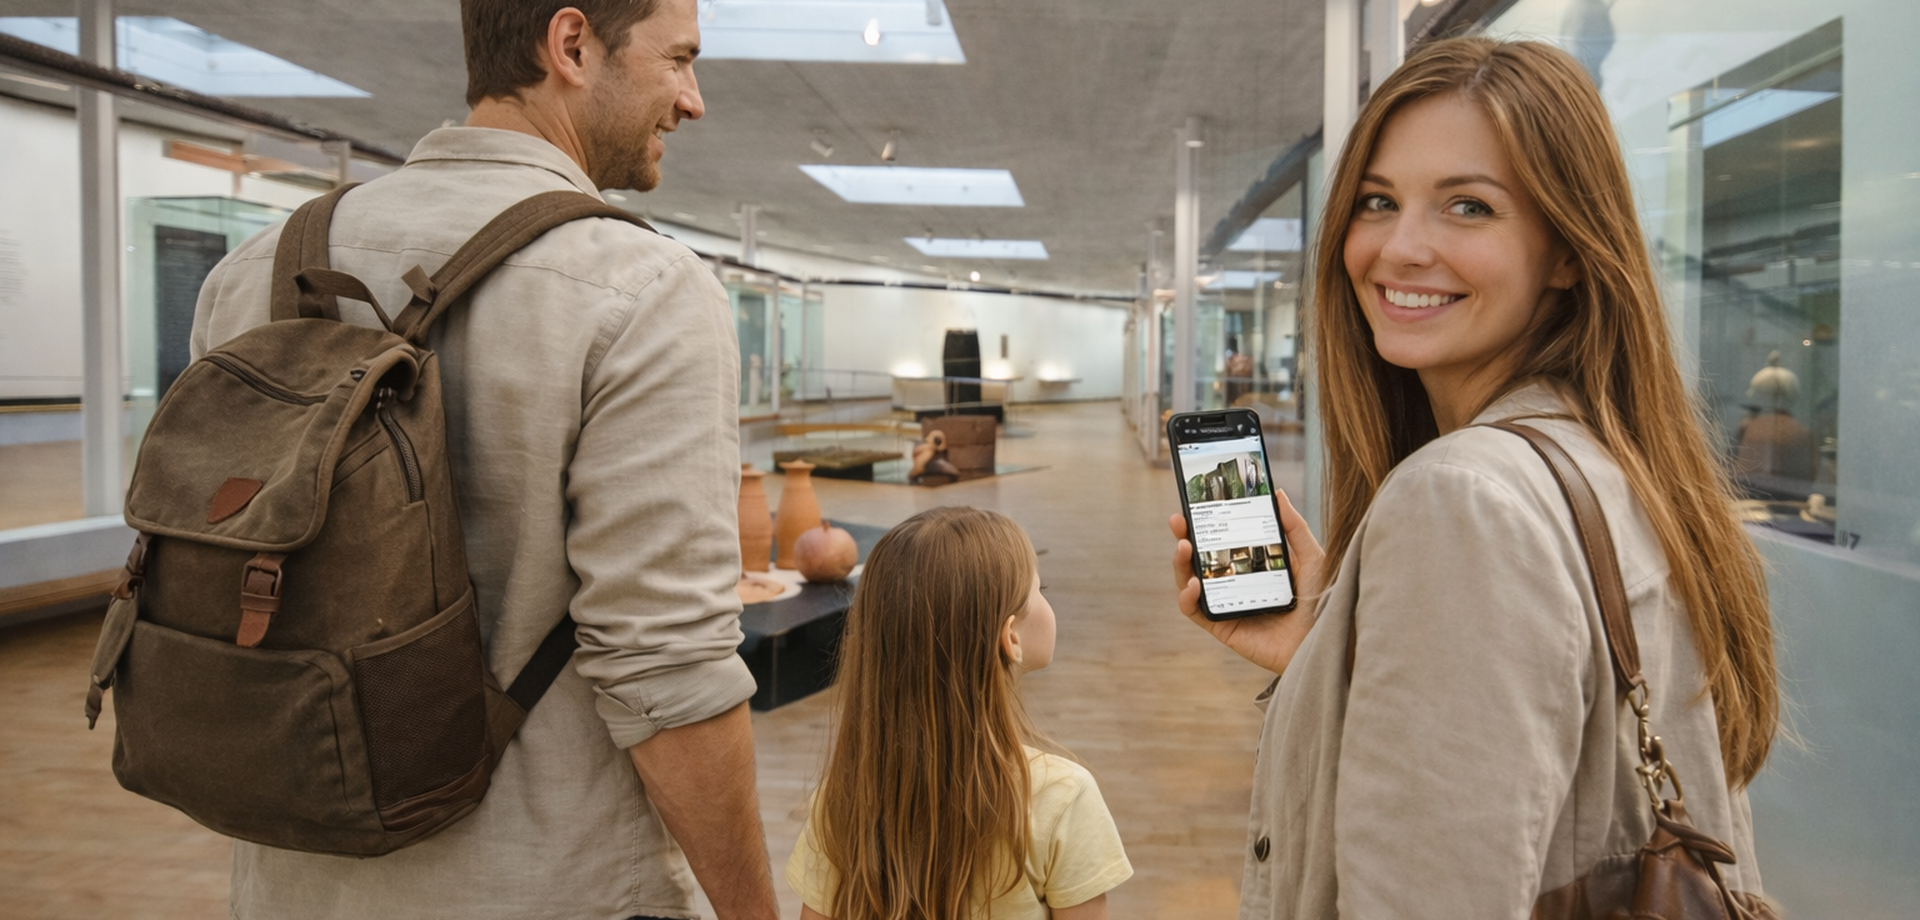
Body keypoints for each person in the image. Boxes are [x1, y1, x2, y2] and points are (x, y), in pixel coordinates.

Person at [190, 1, 779, 918]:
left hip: (290, 880)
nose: (692, 100)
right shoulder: (644, 291)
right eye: (679, 60)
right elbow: (667, 674)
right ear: (572, 44)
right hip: (543, 881)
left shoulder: (251, 272)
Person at [1168, 38, 1779, 918]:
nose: (1400, 248)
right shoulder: (1613, 469)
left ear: (1568, 250)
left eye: (1468, 206)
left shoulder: (1463, 499)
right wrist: (1329, 652)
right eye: (1378, 201)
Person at [787, 507, 1133, 919]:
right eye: (1041, 589)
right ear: (1010, 637)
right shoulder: (1064, 797)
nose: (1045, 599)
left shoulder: (842, 797)